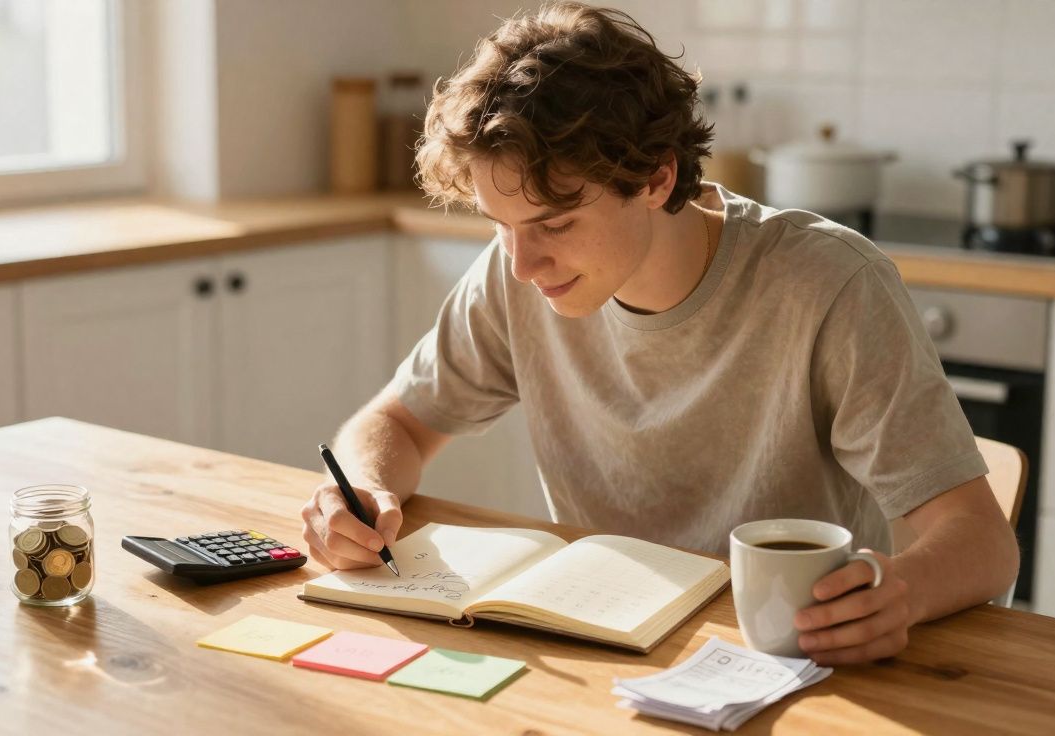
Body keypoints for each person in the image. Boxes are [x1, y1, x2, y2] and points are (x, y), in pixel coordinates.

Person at [300, 1, 1018, 665]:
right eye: (501, 225)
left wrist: (904, 592)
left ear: (653, 177)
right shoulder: (516, 271)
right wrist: (360, 490)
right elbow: (397, 419)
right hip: (601, 647)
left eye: (553, 224)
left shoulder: (828, 285)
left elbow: (983, 543)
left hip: (783, 660)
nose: (521, 264)